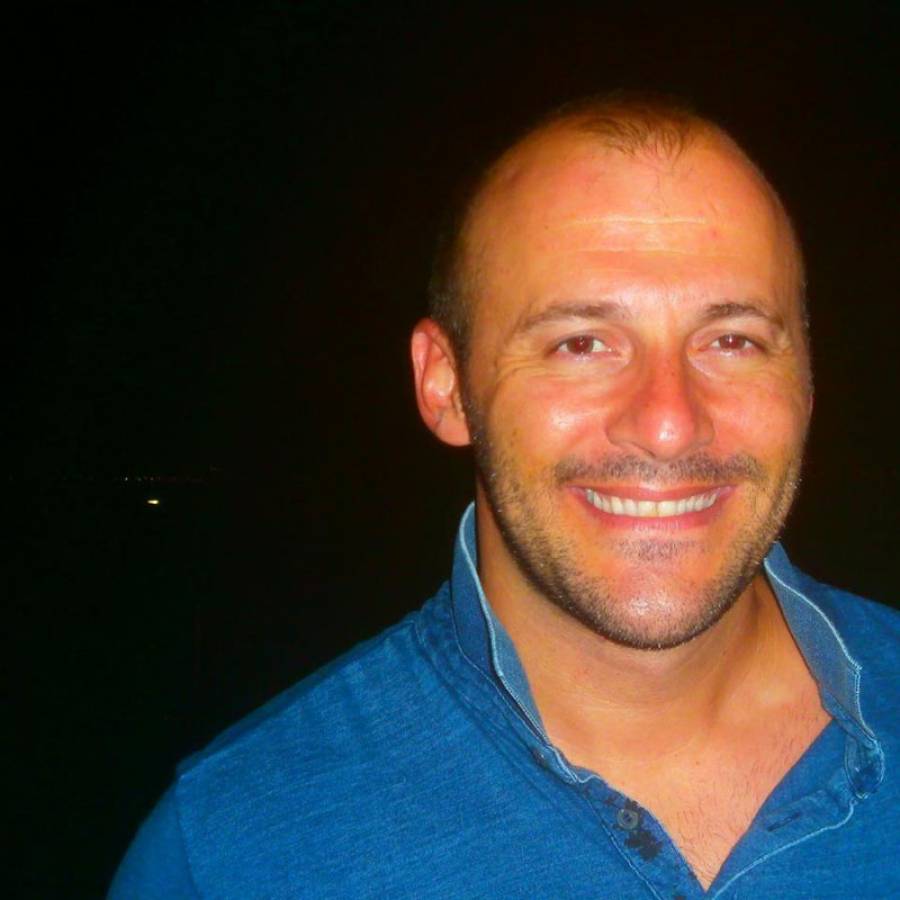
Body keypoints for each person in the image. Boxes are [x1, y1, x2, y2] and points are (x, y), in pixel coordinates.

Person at [109, 93, 899, 898]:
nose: (668, 424)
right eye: (580, 343)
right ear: (446, 385)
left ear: (807, 378)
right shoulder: (234, 850)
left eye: (733, 340)